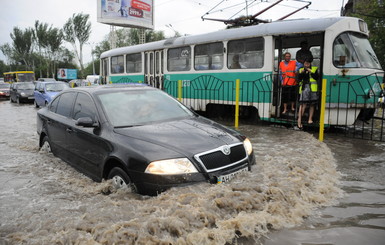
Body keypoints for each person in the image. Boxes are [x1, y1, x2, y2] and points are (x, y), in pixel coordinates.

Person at [297, 59, 319, 129]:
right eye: (305, 63)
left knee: (312, 104)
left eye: (308, 63)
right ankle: (299, 121)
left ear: (310, 63)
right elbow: (299, 79)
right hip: (304, 89)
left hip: (313, 89)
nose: (306, 64)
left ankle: (310, 119)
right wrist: (302, 73)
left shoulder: (315, 69)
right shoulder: (301, 70)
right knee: (303, 104)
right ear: (303, 64)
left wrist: (311, 71)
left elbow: (316, 77)